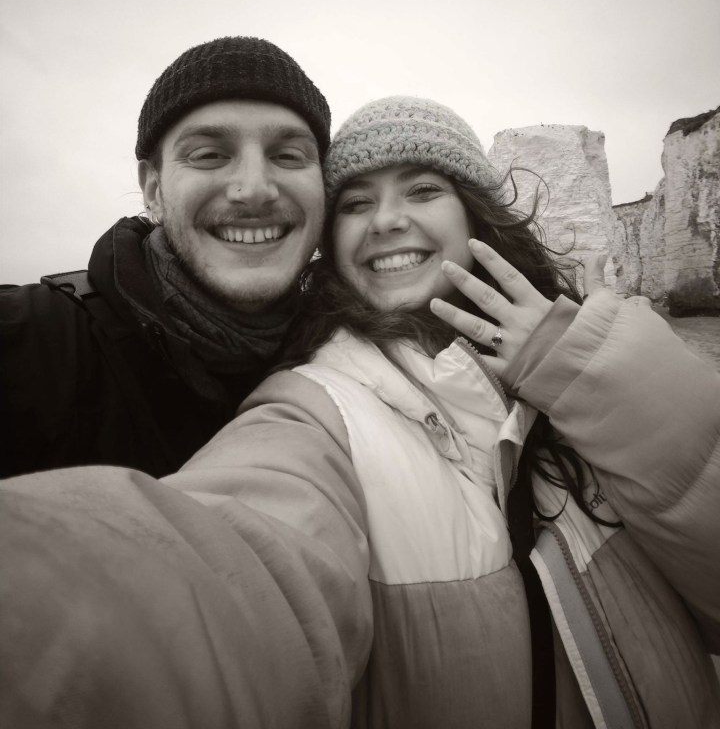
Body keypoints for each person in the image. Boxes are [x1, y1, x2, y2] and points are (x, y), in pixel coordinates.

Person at [1, 97, 719, 728]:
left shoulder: (585, 384)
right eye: (354, 202)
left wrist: (596, 377)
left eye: (422, 188)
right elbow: (231, 568)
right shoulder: (314, 410)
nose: (387, 221)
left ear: (475, 213)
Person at [0, 35, 330, 478]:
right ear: (153, 190)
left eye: (289, 156)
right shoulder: (27, 344)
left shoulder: (357, 364)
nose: (254, 188)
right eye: (210, 155)